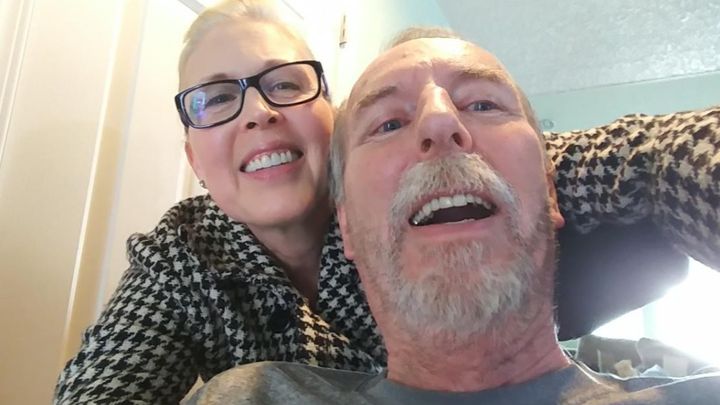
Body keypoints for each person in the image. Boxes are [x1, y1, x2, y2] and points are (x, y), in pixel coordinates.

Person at [54, 1, 715, 403]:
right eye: (217, 98)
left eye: (284, 84)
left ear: (331, 119)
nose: (257, 112)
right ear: (194, 158)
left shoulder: (479, 161)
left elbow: (659, 155)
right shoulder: (182, 257)